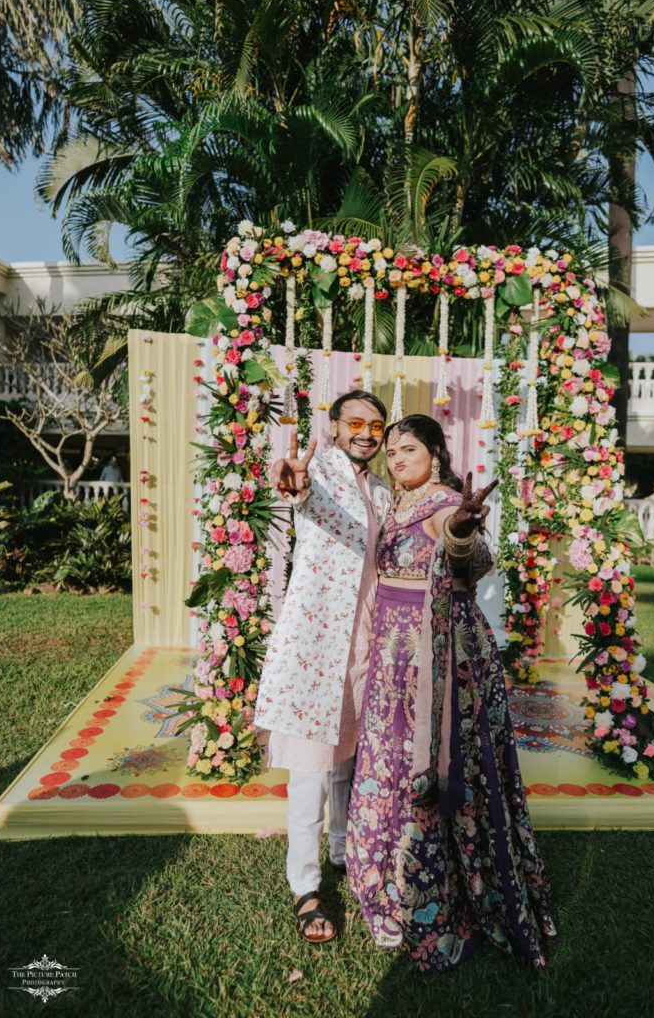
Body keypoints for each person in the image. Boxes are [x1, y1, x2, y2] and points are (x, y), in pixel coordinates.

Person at [346, 414, 556, 972]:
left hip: (435, 657)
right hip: (393, 654)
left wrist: (463, 528)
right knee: (388, 764)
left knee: (434, 766)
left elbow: (471, 559)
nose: (396, 458)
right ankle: (383, 879)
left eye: (408, 449)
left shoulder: (442, 505)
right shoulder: (395, 503)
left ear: (436, 453)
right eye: (391, 451)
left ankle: (437, 896)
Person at [255, 390, 393, 943]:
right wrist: (289, 477)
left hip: (364, 640)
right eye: (354, 422)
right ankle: (306, 886)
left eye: (376, 425)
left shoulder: (381, 491)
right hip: (316, 641)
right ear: (333, 427)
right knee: (312, 765)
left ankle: (341, 851)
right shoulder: (322, 472)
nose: (365, 432)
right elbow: (295, 487)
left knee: (348, 753)